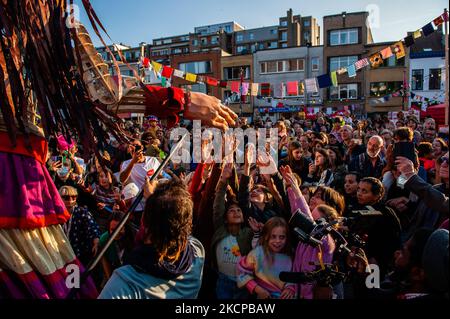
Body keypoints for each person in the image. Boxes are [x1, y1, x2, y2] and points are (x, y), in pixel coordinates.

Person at [99, 180, 205, 299]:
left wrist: (153, 200)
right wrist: (155, 200)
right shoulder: (197, 252)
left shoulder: (124, 284)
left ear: (144, 223)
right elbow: (175, 222)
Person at [212, 163, 253, 299]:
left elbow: (244, 196)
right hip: (223, 282)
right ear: (225, 217)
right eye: (231, 211)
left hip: (245, 282)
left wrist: (246, 168)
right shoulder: (220, 229)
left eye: (238, 210)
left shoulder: (248, 232)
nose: (236, 212)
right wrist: (223, 180)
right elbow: (218, 203)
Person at [237, 217, 296, 299]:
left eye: (282, 237)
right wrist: (258, 289)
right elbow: (242, 273)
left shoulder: (290, 256)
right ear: (266, 237)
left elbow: (292, 277)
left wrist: (290, 288)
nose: (277, 241)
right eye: (273, 236)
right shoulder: (257, 253)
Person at [59, 186, 101, 266]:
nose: (70, 200)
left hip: (80, 255)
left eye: (74, 197)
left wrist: (96, 241)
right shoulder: (55, 214)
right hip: (61, 255)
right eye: (66, 198)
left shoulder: (82, 212)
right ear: (59, 198)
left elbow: (93, 227)